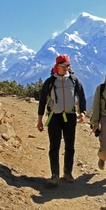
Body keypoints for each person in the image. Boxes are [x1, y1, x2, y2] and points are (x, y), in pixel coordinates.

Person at [37, 54, 86, 186]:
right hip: (54, 117)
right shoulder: (50, 82)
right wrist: (39, 120)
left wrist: (82, 112)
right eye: (64, 66)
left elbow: (81, 96)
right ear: (57, 66)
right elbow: (42, 101)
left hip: (70, 116)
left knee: (70, 146)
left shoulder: (74, 80)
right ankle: (54, 175)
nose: (66, 68)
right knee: (54, 146)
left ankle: (67, 172)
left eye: (68, 66)